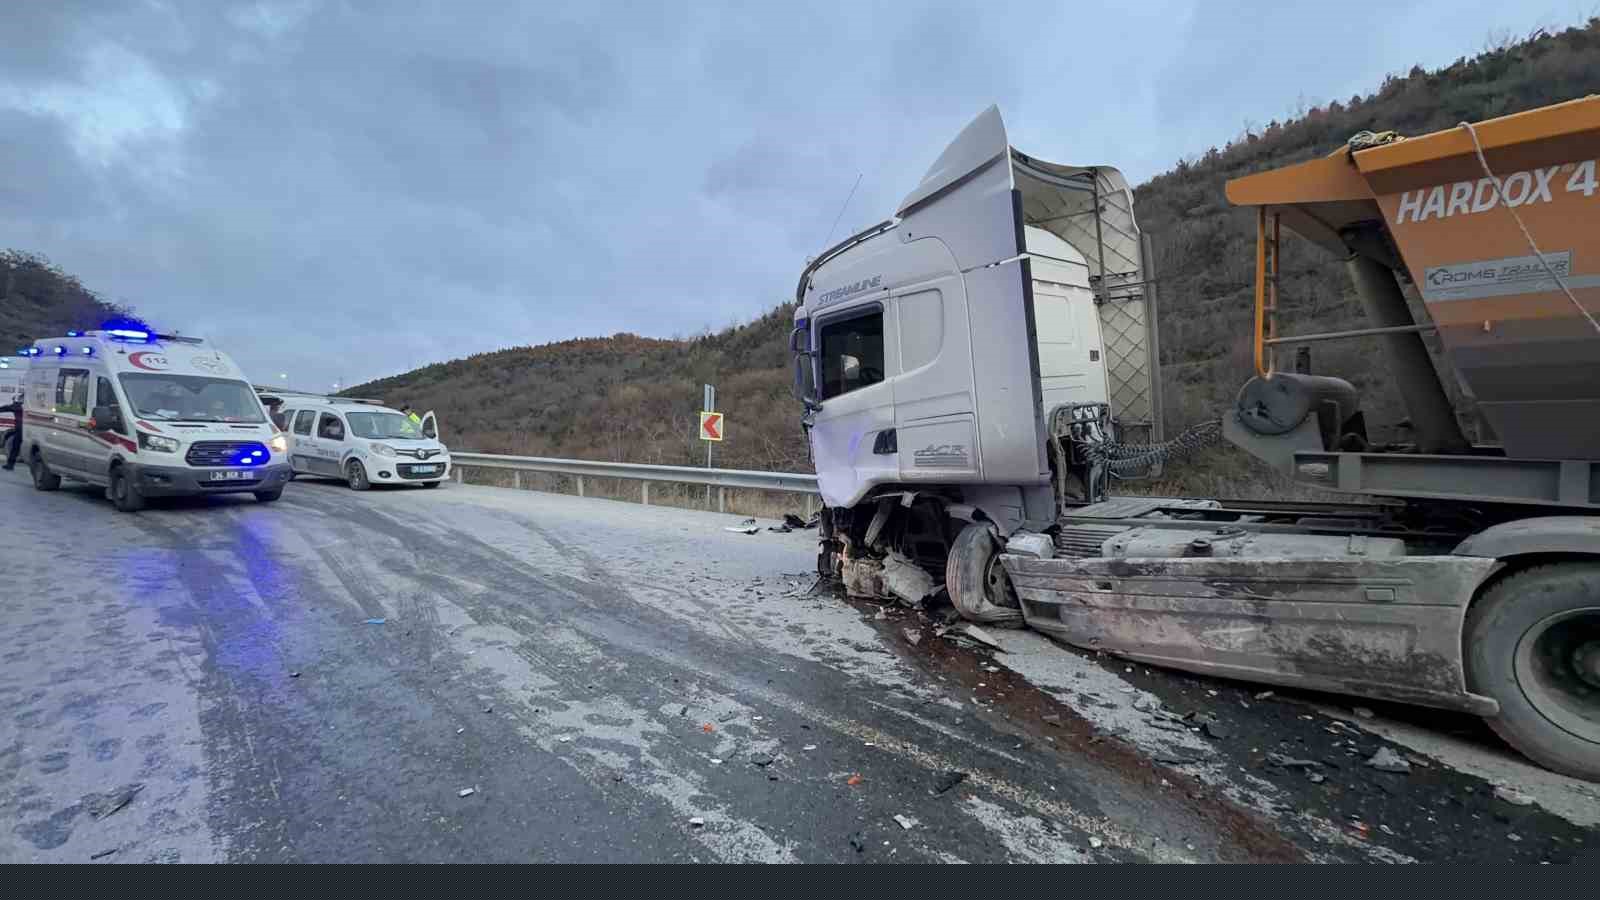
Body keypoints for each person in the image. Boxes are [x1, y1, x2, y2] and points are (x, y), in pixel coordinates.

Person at [2, 394, 22, 470]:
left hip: (20, 430)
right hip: (29, 430)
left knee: (15, 447)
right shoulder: (26, 407)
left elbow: (4, 408)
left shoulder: (16, 406)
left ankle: (10, 465)